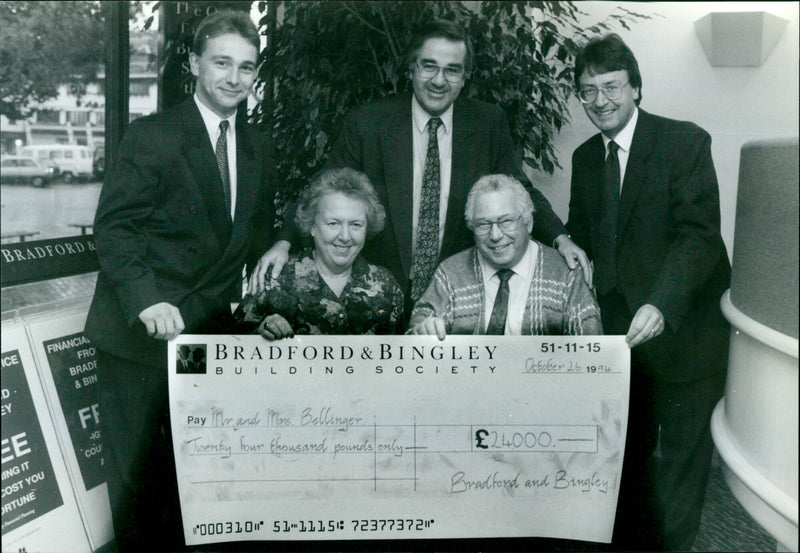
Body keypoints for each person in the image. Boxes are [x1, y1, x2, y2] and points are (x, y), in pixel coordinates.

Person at [83, 10, 290, 551]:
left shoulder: (258, 146)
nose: (233, 78)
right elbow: (114, 227)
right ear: (195, 64)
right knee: (135, 486)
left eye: (246, 68)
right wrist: (147, 300)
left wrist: (280, 242)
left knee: (195, 478)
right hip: (138, 335)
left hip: (203, 334)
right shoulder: (152, 135)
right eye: (222, 62)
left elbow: (254, 223)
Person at [249, 19, 591, 320]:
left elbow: (519, 190)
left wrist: (561, 238)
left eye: (452, 70)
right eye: (428, 66)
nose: (439, 80)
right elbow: (323, 190)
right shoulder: (368, 122)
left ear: (465, 77)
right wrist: (283, 242)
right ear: (411, 68)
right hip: (376, 300)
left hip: (455, 296)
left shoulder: (487, 122)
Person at [565, 33, 731, 551]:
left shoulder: (684, 142)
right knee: (627, 465)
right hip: (623, 345)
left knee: (681, 472)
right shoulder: (585, 157)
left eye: (611, 86)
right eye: (587, 91)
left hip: (685, 336)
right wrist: (569, 244)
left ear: (636, 87)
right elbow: (584, 233)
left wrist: (661, 302)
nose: (600, 101)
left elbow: (699, 236)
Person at [408, 174, 602, 338]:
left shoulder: (567, 275)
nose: (495, 235)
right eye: (484, 224)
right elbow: (417, 327)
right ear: (472, 227)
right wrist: (423, 331)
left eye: (506, 221)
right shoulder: (450, 273)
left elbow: (590, 350)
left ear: (529, 222)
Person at [235, 168, 404, 338]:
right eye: (333, 223)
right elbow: (231, 345)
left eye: (356, 225)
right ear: (312, 227)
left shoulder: (386, 286)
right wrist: (260, 333)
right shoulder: (272, 280)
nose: (345, 237)